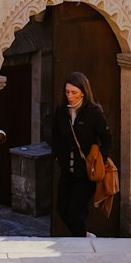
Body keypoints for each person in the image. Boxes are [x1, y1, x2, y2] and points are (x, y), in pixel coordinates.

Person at [51, 72, 112, 237]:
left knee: (75, 213)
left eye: (74, 92)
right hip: (67, 171)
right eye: (67, 92)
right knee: (62, 209)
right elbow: (54, 135)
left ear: (83, 92)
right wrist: (57, 155)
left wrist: (101, 159)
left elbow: (106, 138)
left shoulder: (94, 112)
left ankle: (82, 243)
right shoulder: (61, 111)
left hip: (86, 173)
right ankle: (85, 236)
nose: (69, 96)